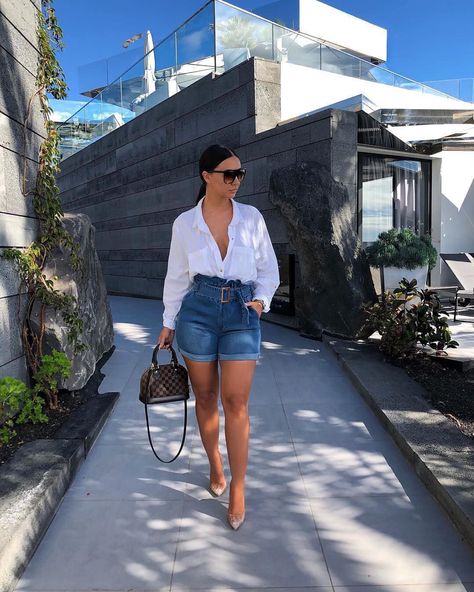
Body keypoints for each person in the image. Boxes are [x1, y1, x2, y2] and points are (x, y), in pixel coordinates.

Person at [157, 144, 280, 530]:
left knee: (236, 402)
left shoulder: (252, 217)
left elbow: (268, 269)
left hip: (242, 313)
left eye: (240, 174)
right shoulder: (184, 224)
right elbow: (177, 276)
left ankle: (238, 489)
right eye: (228, 174)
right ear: (206, 176)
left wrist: (260, 302)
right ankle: (215, 464)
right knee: (206, 396)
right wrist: (168, 321)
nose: (236, 181)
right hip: (198, 312)